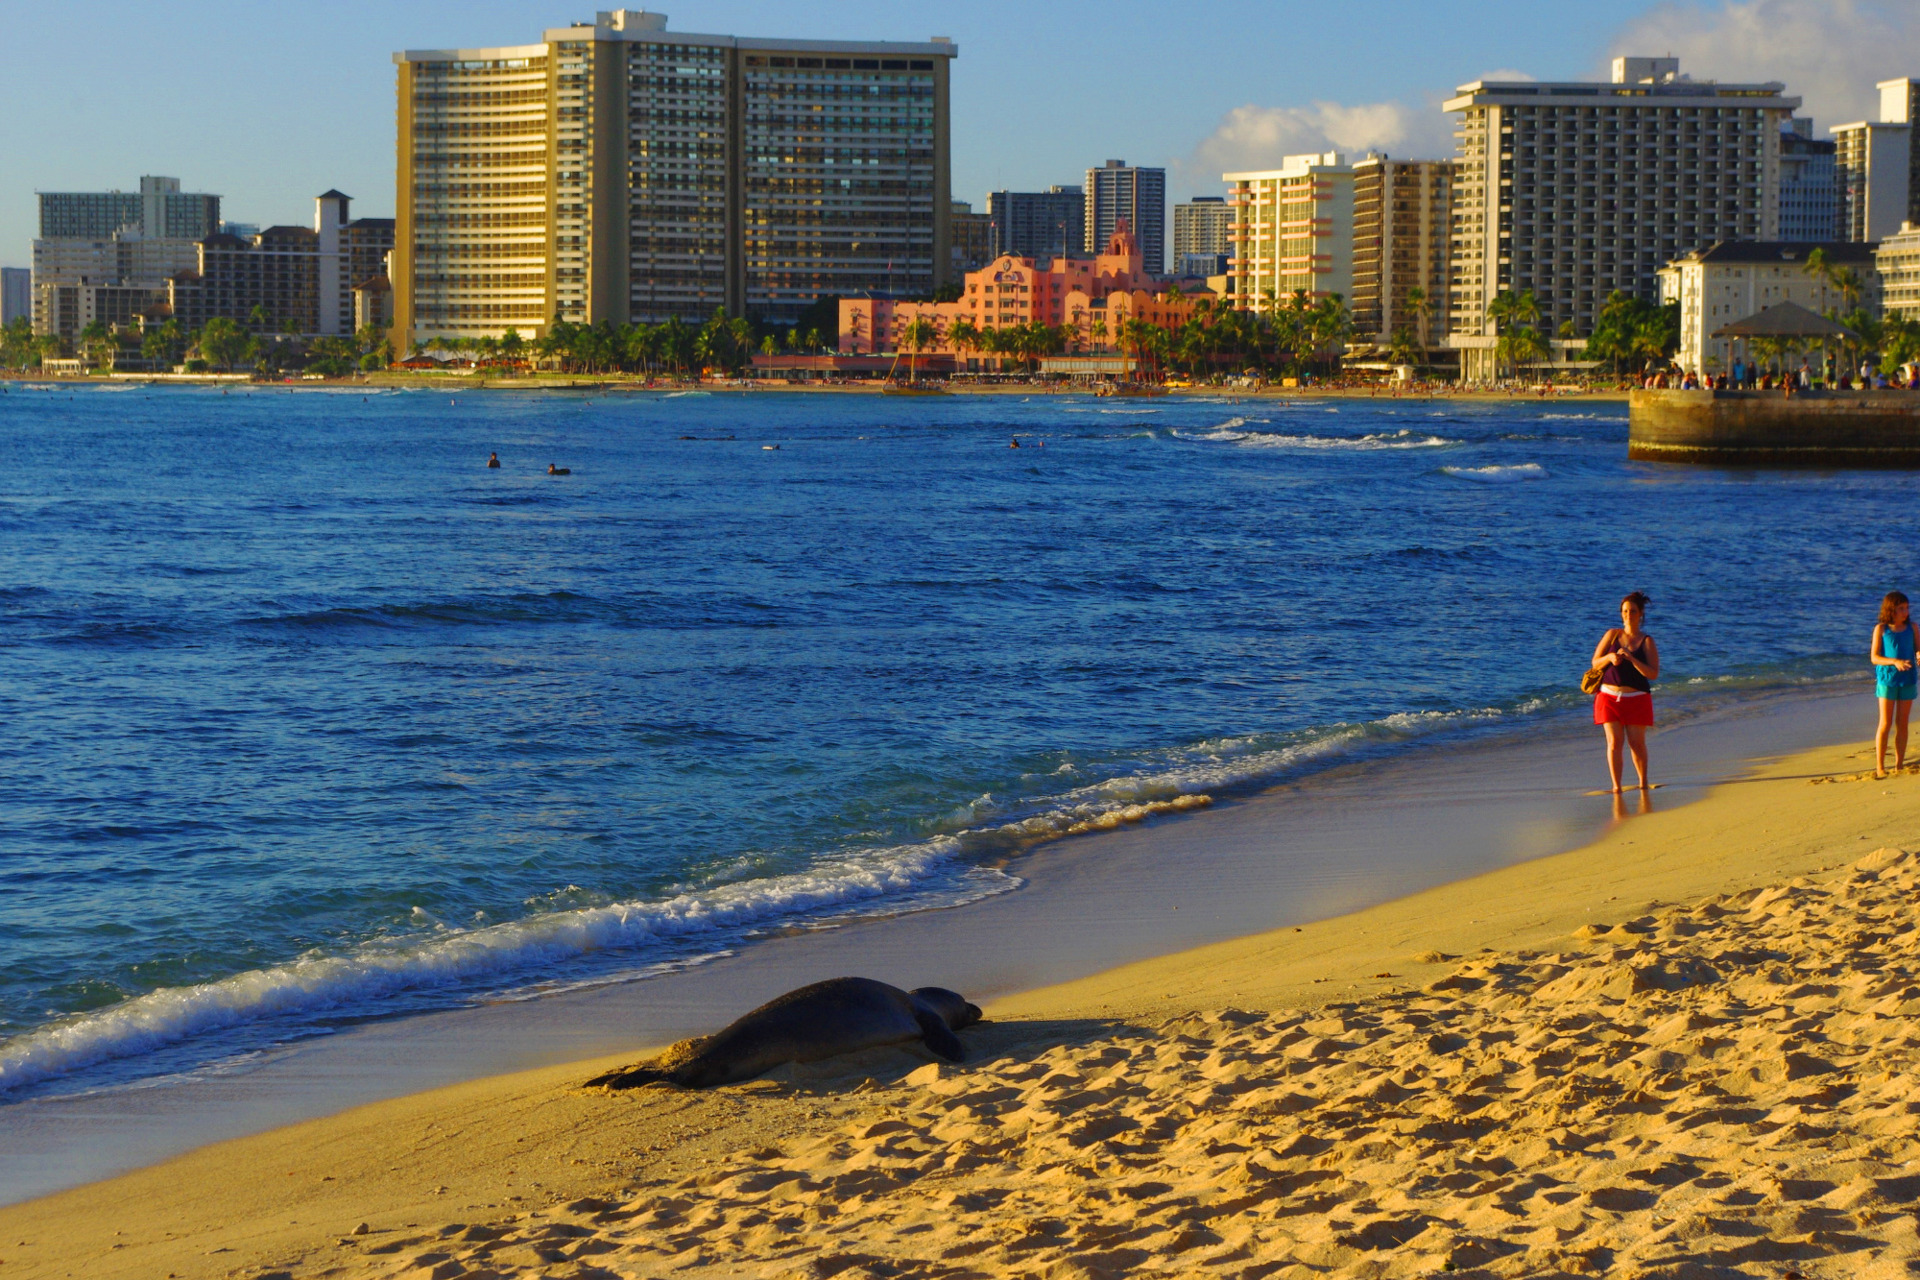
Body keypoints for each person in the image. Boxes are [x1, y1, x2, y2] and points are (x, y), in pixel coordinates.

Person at [1592, 591, 1660, 793]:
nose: (1628, 615)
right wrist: (1610, 658)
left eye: (1632, 611)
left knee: (1637, 744)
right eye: (1625, 611)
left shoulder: (1646, 641)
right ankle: (1616, 787)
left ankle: (1643, 783)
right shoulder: (1612, 635)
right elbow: (1595, 663)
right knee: (1614, 743)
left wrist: (1632, 659)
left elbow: (1653, 673)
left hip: (1637, 699)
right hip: (1608, 697)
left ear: (1640, 614)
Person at [1871, 591, 1918, 774]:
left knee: (1903, 723)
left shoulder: (1912, 627)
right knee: (1885, 723)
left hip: (1908, 678)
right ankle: (1880, 766)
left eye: (1906, 608)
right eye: (1901, 608)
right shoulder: (1882, 629)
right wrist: (1894, 662)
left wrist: (1919, 655)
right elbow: (1874, 657)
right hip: (1887, 680)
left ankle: (1899, 764)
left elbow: (1918, 649)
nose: (1905, 611)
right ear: (1891, 609)